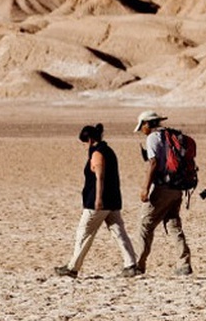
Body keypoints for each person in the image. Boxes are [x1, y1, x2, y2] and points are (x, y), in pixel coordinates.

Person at [55, 123, 138, 278]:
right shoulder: (109, 151)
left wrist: (98, 199)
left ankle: (72, 268)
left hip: (99, 201)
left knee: (84, 232)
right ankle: (131, 264)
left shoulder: (98, 153)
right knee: (118, 231)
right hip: (113, 200)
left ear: (91, 140)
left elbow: (100, 177)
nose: (85, 146)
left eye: (85, 142)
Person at [134, 110, 193, 276]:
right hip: (178, 188)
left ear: (147, 124)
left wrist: (145, 188)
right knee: (173, 224)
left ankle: (138, 264)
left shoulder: (153, 138)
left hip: (163, 188)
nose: (142, 131)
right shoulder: (171, 135)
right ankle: (184, 263)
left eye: (142, 127)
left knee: (145, 225)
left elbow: (153, 163)